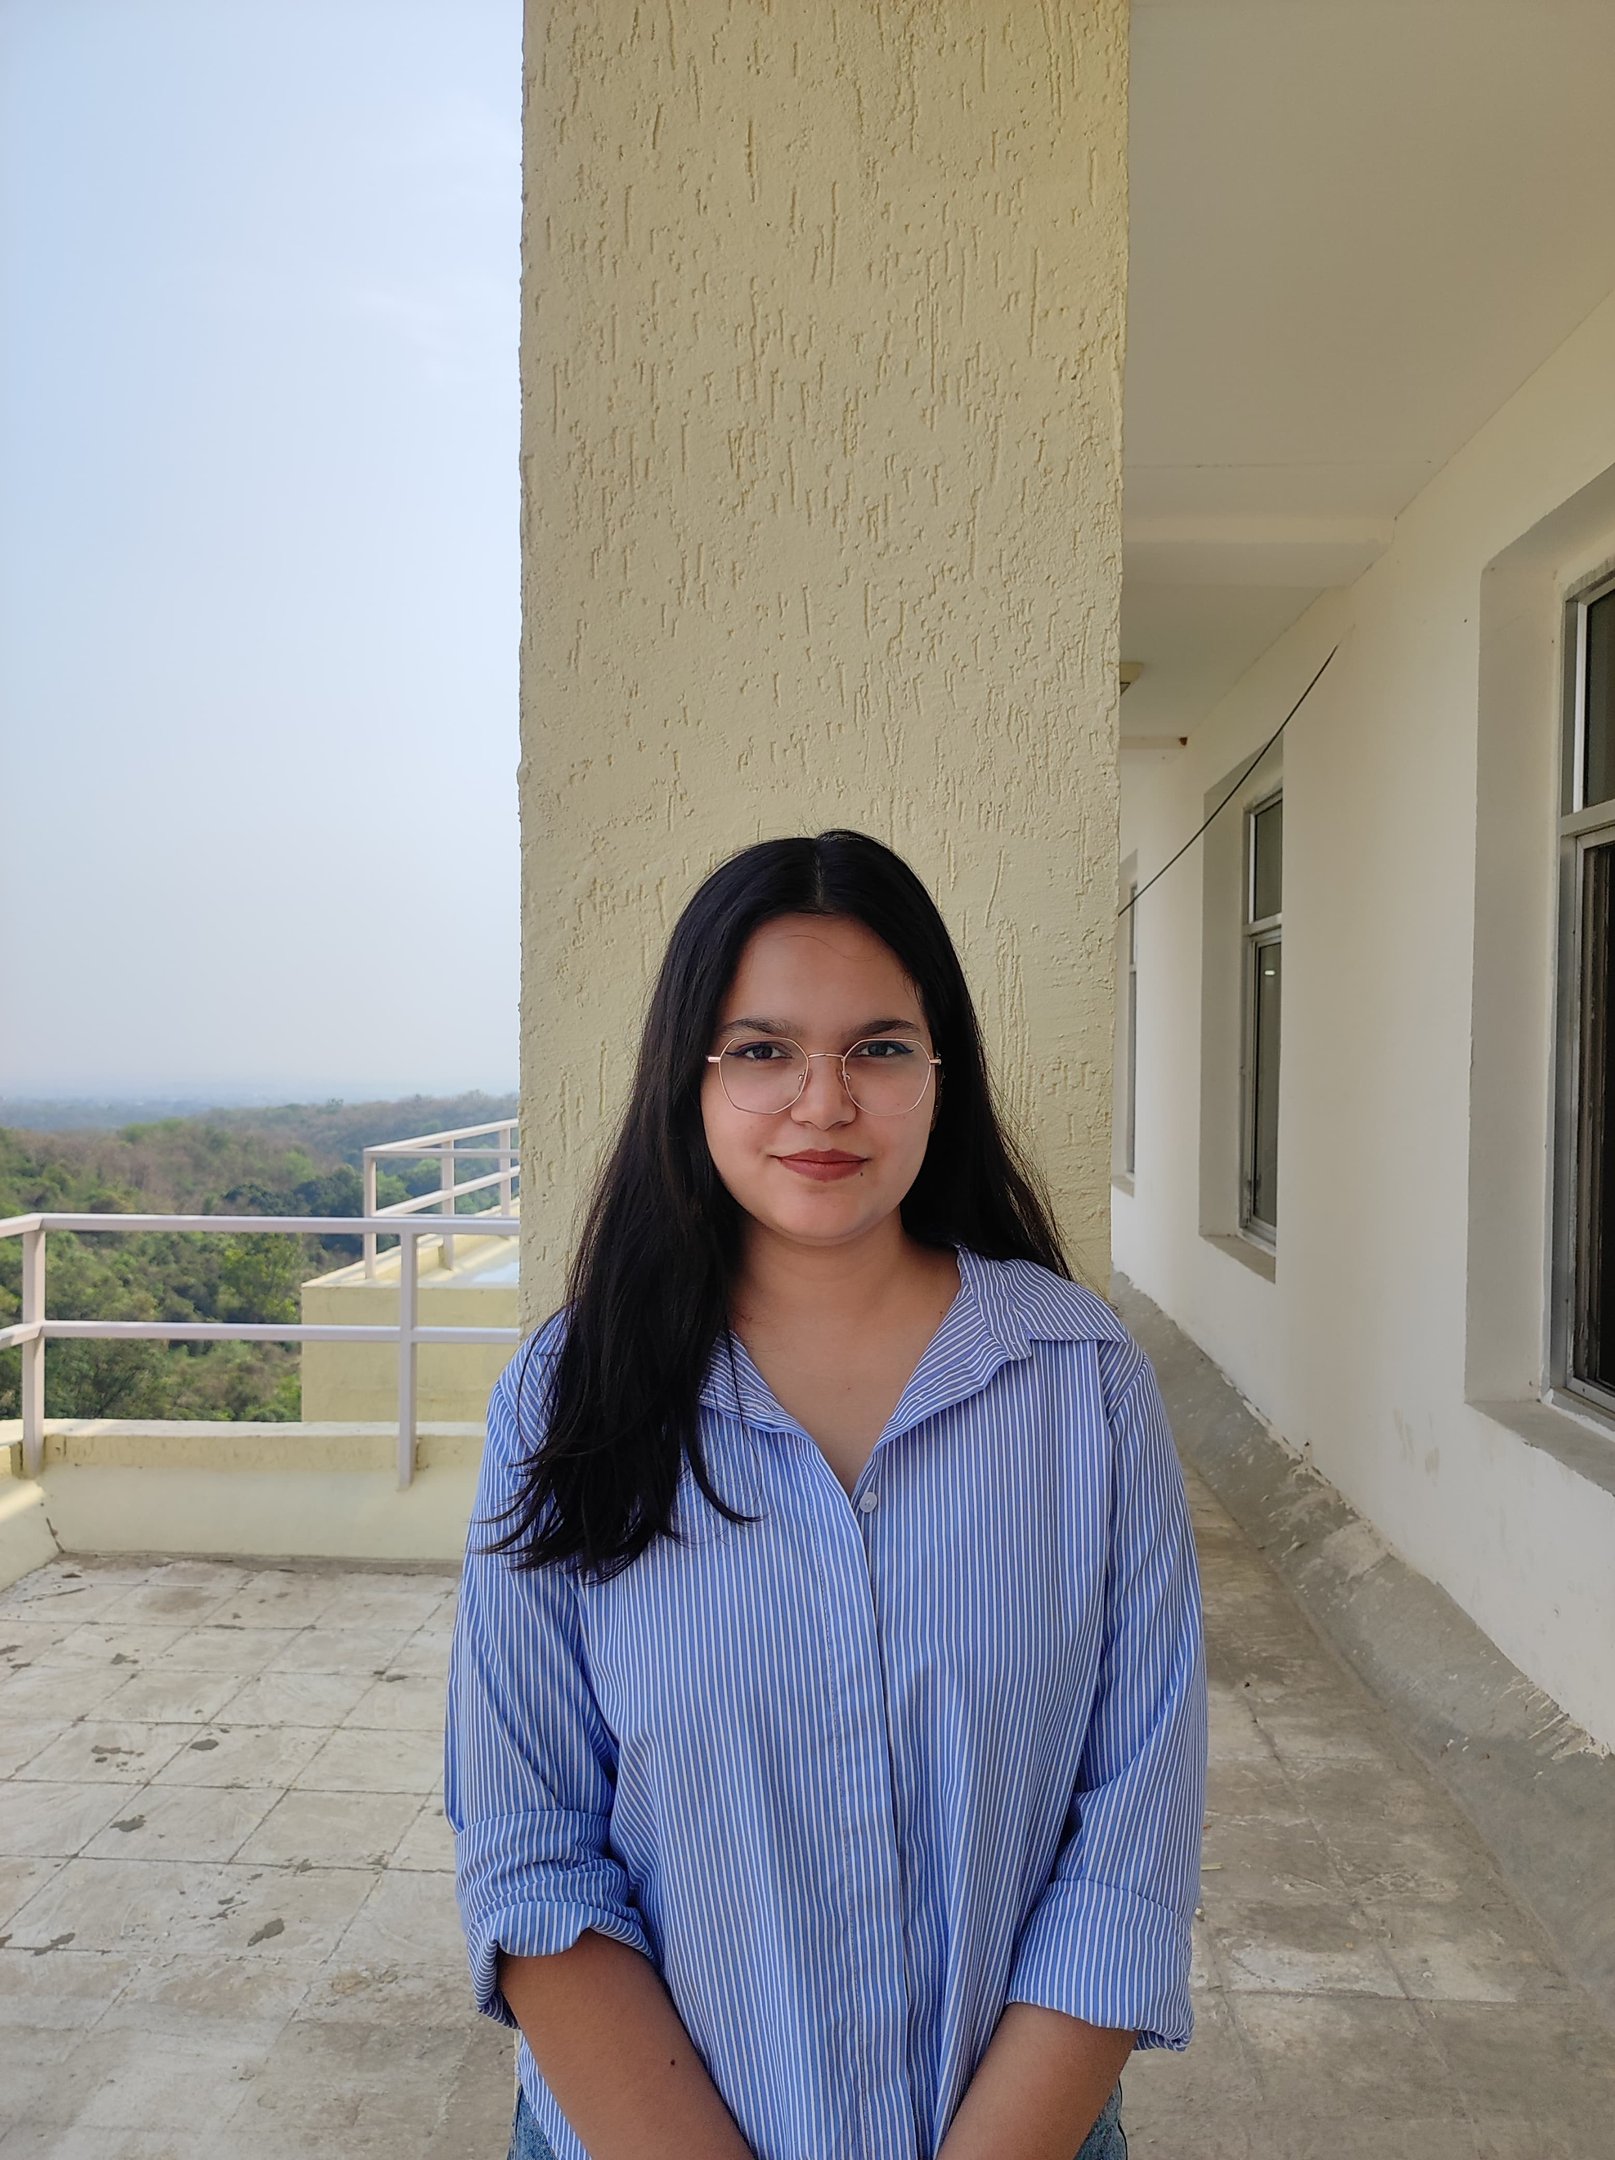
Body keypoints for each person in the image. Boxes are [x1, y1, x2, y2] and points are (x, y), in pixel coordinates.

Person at [446, 830, 1207, 2160]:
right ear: (687, 1077)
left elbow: (1130, 1847)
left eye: (878, 1048)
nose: (823, 1102)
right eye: (761, 1050)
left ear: (940, 1072)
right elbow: (529, 1847)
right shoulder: (566, 1401)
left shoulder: (1082, 1385)